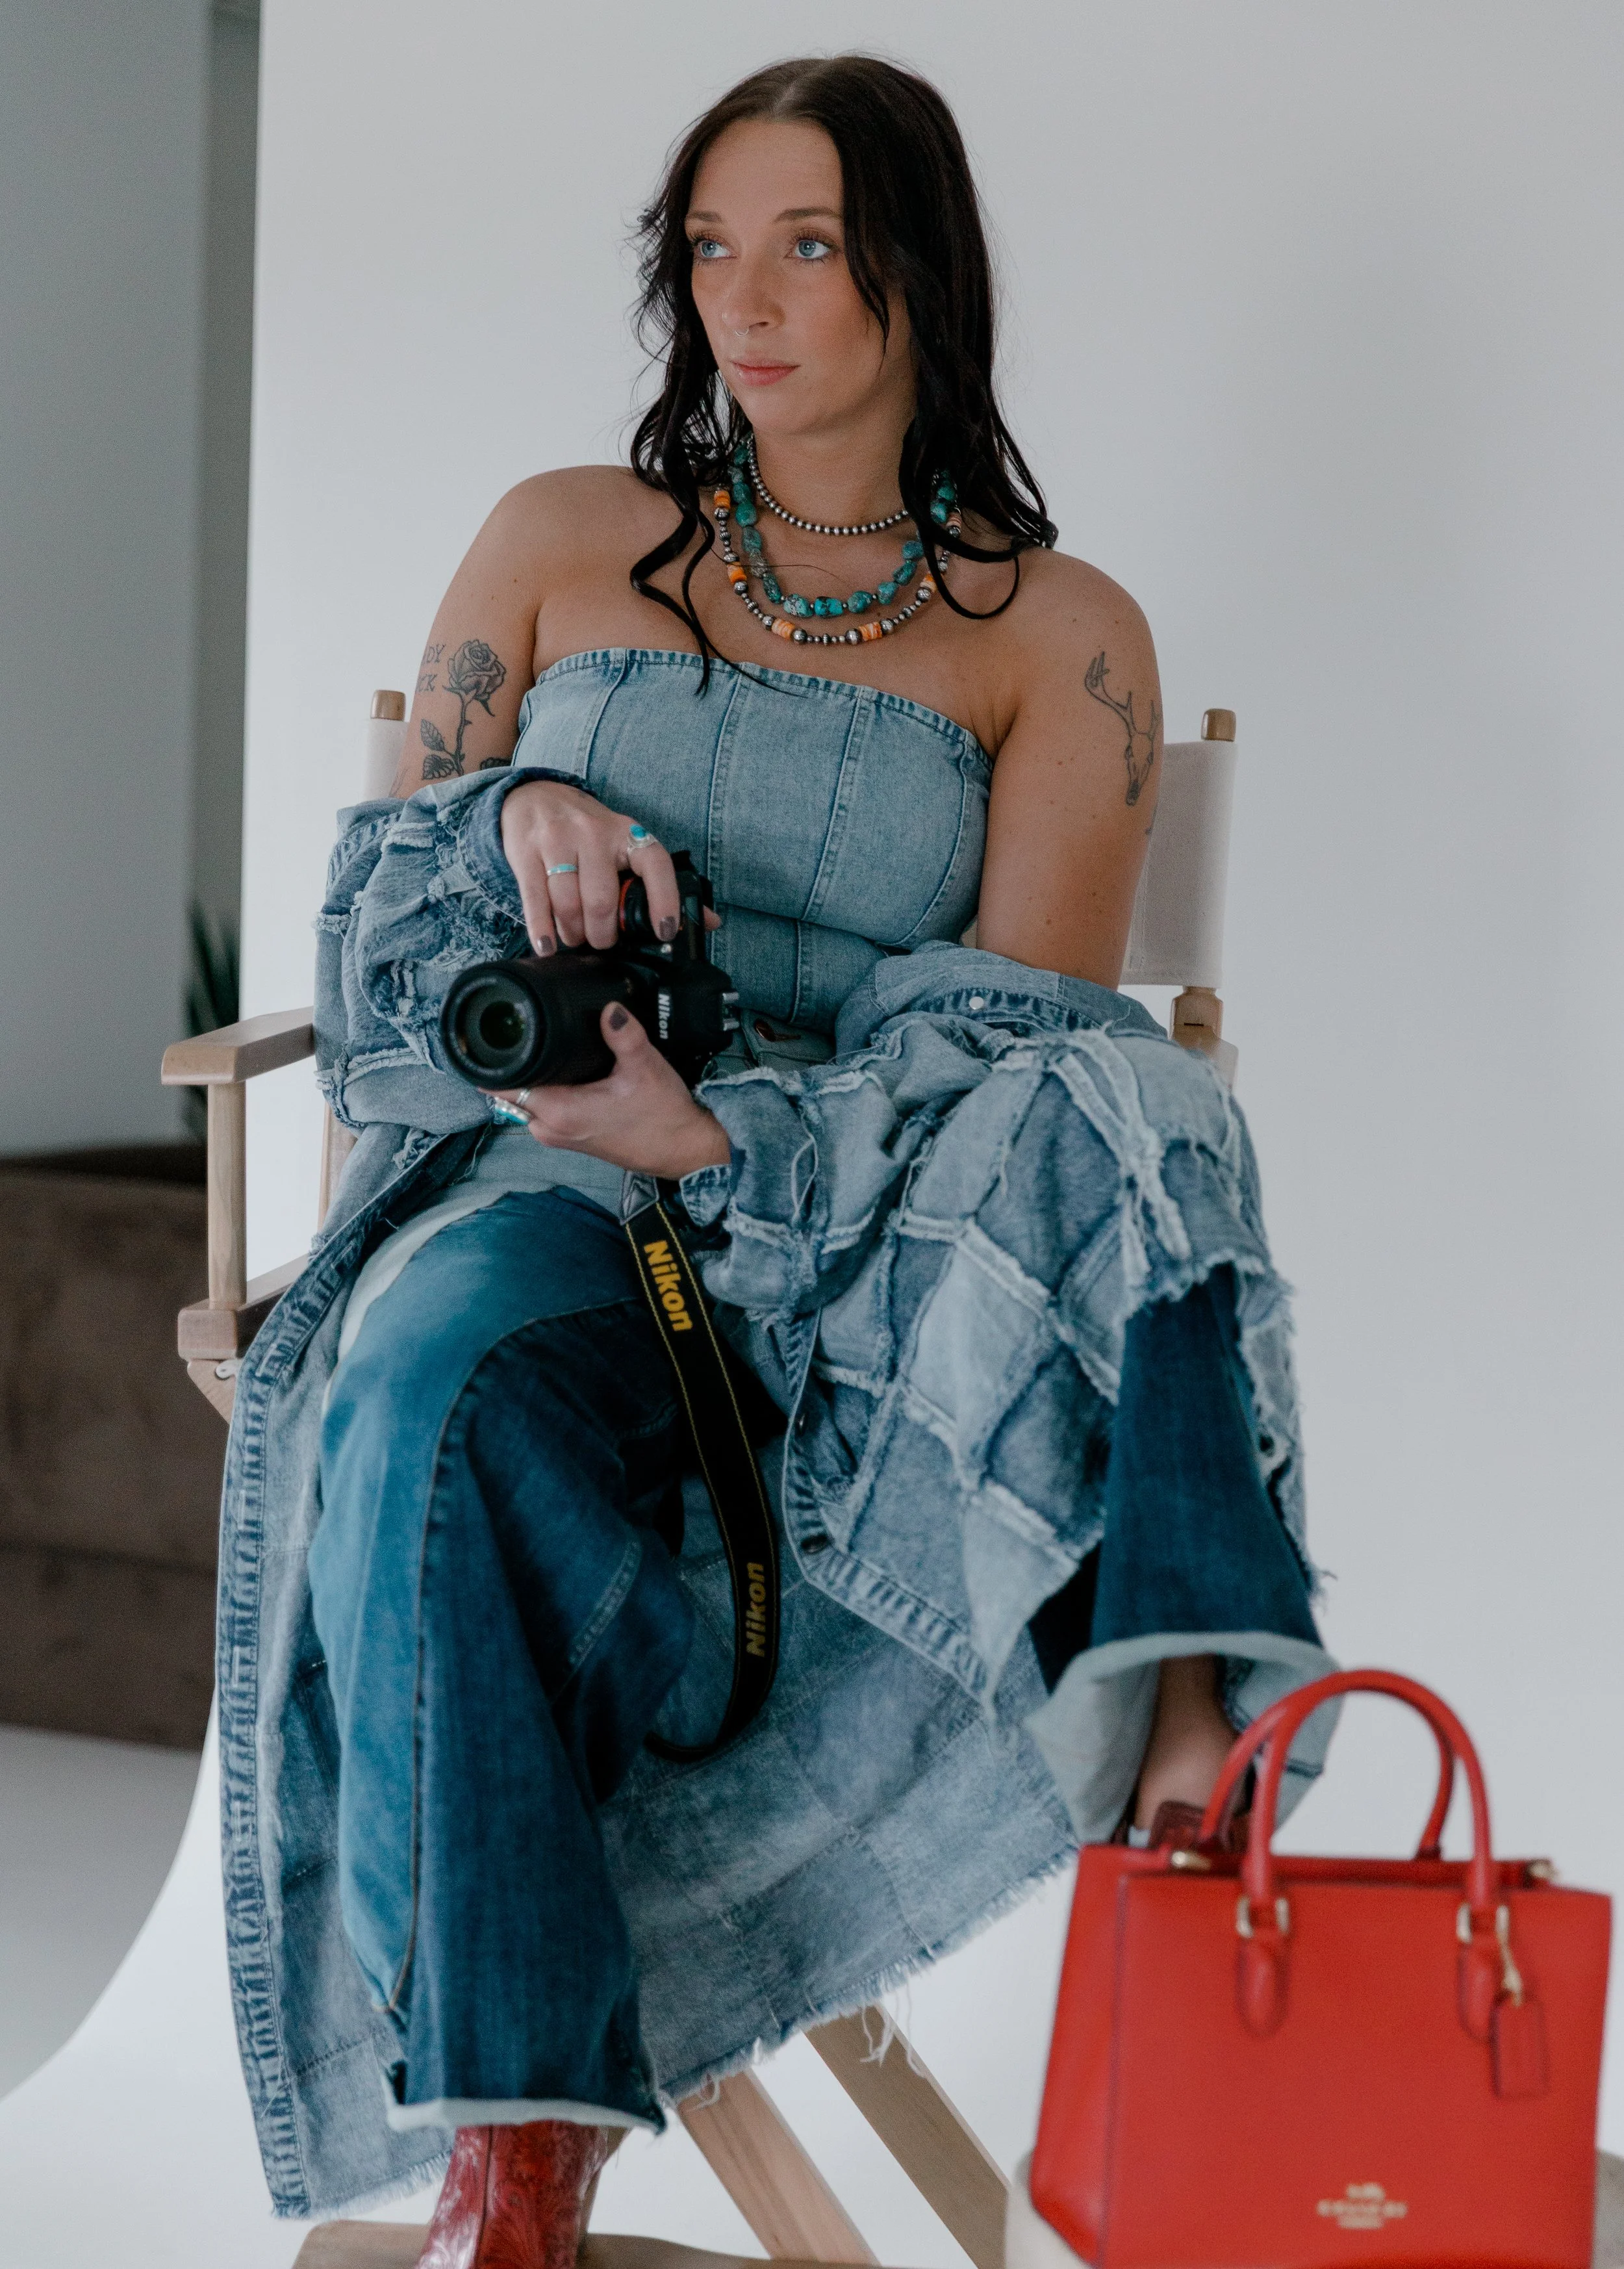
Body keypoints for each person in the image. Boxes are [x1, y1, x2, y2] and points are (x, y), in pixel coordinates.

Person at [222, 55, 1334, 2266]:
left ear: (917, 273)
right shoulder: (557, 543)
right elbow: (376, 952)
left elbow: (1015, 1060)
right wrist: (505, 816)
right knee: (426, 1385)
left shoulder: (1059, 634)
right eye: (710, 247)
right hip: (542, 1187)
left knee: (1146, 1104)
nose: (747, 299)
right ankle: (516, 2152)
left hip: (869, 1241)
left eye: (808, 244)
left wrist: (722, 1134)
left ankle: (1189, 1742)